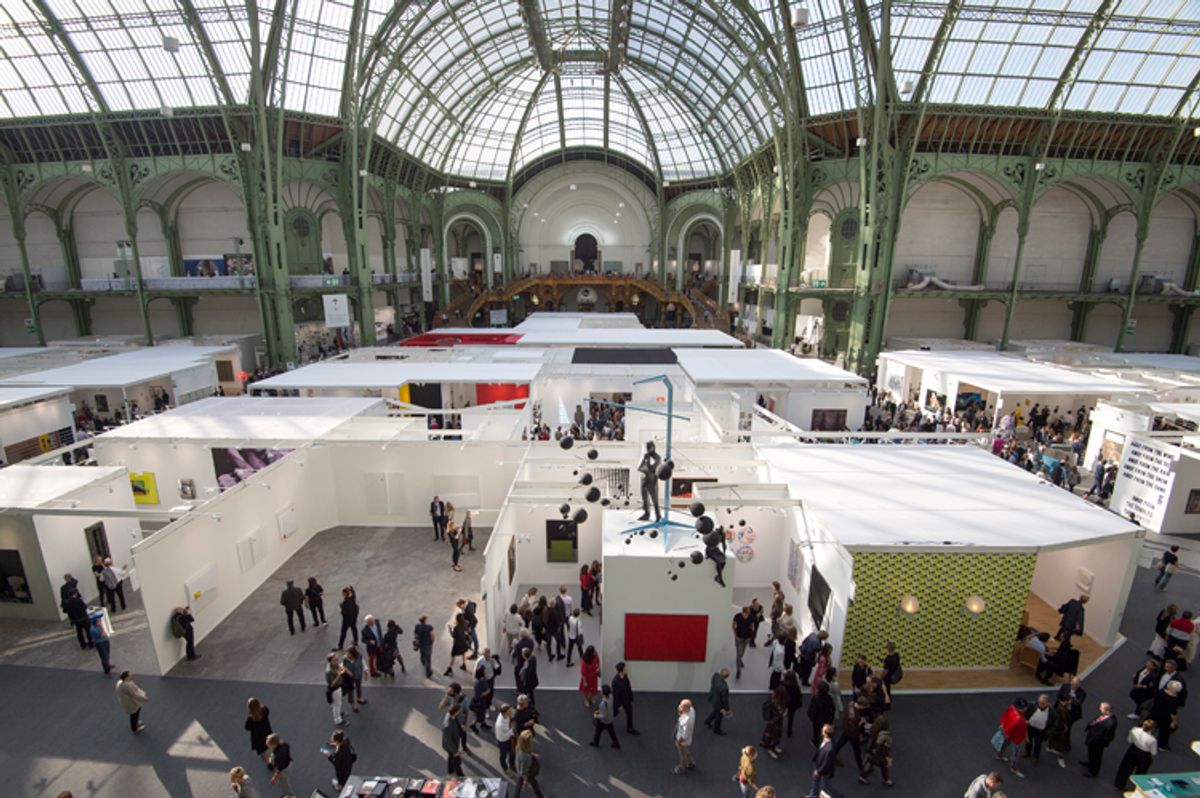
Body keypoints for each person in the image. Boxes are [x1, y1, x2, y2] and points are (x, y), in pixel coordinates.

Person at [1113, 719, 1158, 790]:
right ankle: (1137, 787)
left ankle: (1119, 784)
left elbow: (1129, 740)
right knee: (1141, 772)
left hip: (1133, 750)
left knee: (1125, 768)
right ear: (1152, 729)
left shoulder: (1134, 730)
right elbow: (1153, 752)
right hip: (1144, 755)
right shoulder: (1152, 739)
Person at [1081, 701, 1117, 777]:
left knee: (1096, 756)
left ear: (1107, 710)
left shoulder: (1111, 722)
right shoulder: (1103, 715)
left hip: (1098, 742)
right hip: (1093, 738)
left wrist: (1101, 742)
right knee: (1091, 752)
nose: (1100, 709)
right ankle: (1090, 763)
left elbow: (1109, 736)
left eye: (1101, 708)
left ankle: (1093, 772)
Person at [807, 723, 843, 798]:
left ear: (826, 734)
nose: (821, 731)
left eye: (823, 730)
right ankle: (813, 795)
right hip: (818, 764)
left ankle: (839, 796)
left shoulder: (830, 748)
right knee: (816, 781)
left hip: (823, 769)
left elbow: (827, 763)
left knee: (827, 784)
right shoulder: (826, 740)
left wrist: (819, 771)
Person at [995, 698, 1028, 779]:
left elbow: (1005, 716)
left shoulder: (1011, 708)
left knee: (1004, 743)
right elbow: (1015, 728)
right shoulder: (1019, 720)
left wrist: (1003, 725)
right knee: (1016, 752)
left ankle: (999, 755)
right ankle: (1013, 767)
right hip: (1016, 736)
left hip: (1007, 732)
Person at [859, 710, 893, 787]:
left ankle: (862, 777)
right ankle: (886, 780)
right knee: (884, 766)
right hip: (879, 753)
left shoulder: (873, 729)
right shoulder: (884, 735)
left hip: (872, 749)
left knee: (869, 763)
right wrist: (887, 756)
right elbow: (885, 747)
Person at [1150, 680, 1183, 750]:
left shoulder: (1161, 692)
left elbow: (1155, 700)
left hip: (1156, 711)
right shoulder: (1175, 700)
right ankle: (1162, 745)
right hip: (1165, 717)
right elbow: (1173, 713)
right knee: (1164, 732)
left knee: (1150, 722)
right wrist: (1174, 722)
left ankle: (1142, 732)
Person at [1022, 693, 1051, 765]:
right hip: (1030, 726)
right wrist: (1026, 720)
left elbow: (1053, 723)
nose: (1040, 705)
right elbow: (1025, 711)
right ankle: (1027, 752)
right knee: (1028, 740)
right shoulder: (1032, 705)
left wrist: (1048, 732)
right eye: (1039, 702)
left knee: (1038, 744)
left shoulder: (1051, 712)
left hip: (1040, 730)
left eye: (1042, 703)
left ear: (1047, 703)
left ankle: (1036, 756)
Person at [514, 729, 545, 798]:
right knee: (534, 784)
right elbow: (524, 770)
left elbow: (526, 752)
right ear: (527, 743)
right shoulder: (526, 757)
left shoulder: (518, 746)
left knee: (519, 783)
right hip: (526, 773)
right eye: (531, 740)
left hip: (518, 767)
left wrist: (532, 754)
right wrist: (526, 780)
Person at [1046, 692, 1073, 767]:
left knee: (1056, 740)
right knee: (1061, 743)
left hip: (1060, 729)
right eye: (1069, 700)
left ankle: (1051, 747)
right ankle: (1060, 757)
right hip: (1060, 729)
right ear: (1065, 700)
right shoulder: (1061, 709)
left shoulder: (1061, 707)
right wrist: (1065, 726)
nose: (1071, 701)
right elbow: (1060, 720)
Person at [589, 683, 620, 749]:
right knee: (612, 732)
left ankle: (595, 743)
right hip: (610, 718)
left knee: (598, 731)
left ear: (603, 693)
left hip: (604, 721)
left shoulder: (603, 703)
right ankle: (616, 744)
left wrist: (596, 715)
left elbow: (603, 715)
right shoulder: (611, 697)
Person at [808, 679, 836, 749]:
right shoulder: (829, 698)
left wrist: (811, 717)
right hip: (827, 719)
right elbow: (833, 708)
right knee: (827, 732)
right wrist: (831, 718)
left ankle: (816, 742)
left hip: (817, 720)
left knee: (816, 732)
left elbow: (812, 709)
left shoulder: (816, 698)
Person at [760, 685, 787, 759]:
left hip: (778, 722)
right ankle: (770, 749)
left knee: (777, 735)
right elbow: (773, 714)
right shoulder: (772, 703)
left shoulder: (781, 701)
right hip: (773, 723)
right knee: (771, 737)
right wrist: (782, 714)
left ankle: (774, 746)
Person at [611, 661, 638, 734]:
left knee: (629, 713)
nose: (627, 669)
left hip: (627, 700)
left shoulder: (625, 676)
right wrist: (619, 705)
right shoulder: (615, 682)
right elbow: (616, 695)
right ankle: (602, 721)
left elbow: (628, 687)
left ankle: (630, 728)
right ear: (621, 671)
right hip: (620, 701)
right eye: (625, 668)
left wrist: (630, 697)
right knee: (613, 713)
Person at [244, 698, 273, 763]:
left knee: (263, 750)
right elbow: (268, 711)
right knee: (269, 742)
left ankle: (269, 762)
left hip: (258, 737)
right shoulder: (264, 709)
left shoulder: (251, 718)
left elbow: (247, 727)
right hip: (267, 731)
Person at [672, 698, 696, 775]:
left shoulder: (687, 720)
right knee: (685, 749)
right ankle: (691, 762)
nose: (679, 707)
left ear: (685, 708)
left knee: (682, 752)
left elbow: (685, 734)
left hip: (682, 739)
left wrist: (678, 742)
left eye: (681, 706)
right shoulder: (691, 710)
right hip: (684, 737)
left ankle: (681, 766)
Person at [704, 667, 730, 735]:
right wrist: (727, 709)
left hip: (713, 697)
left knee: (716, 711)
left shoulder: (716, 676)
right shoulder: (724, 688)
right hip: (719, 703)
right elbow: (724, 699)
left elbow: (712, 682)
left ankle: (708, 721)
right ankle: (717, 729)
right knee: (719, 716)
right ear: (727, 677)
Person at [325, 653, 348, 726]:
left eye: (337, 659)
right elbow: (331, 684)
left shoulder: (335, 665)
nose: (337, 661)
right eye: (335, 660)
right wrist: (338, 676)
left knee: (338, 703)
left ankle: (338, 713)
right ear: (330, 661)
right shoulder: (329, 671)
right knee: (337, 705)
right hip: (335, 689)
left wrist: (341, 670)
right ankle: (338, 720)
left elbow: (340, 667)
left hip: (339, 687)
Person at [442, 704, 466, 777]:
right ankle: (460, 776)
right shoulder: (448, 725)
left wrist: (460, 727)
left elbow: (455, 721)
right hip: (451, 747)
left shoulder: (451, 715)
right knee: (456, 761)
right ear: (455, 712)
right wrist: (455, 751)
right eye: (459, 710)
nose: (459, 712)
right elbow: (448, 741)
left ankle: (450, 770)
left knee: (451, 758)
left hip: (452, 745)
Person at [732, 606, 755, 679]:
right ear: (743, 612)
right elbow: (733, 624)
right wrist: (735, 635)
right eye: (746, 613)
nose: (747, 614)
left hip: (746, 638)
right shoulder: (737, 616)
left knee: (742, 652)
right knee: (738, 654)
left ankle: (740, 660)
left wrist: (751, 633)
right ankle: (738, 671)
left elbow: (752, 625)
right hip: (739, 638)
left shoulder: (751, 617)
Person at [782, 668, 804, 737]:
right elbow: (799, 696)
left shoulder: (783, 684)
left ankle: (780, 727)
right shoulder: (796, 686)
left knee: (781, 715)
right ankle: (789, 731)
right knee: (791, 718)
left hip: (783, 703)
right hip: (792, 704)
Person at [414, 614, 435, 678]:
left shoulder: (417, 626)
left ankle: (423, 661)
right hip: (428, 644)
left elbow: (415, 636)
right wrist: (432, 642)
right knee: (428, 658)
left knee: (422, 653)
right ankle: (428, 673)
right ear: (425, 620)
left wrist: (417, 641)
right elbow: (432, 636)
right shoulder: (429, 627)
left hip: (421, 643)